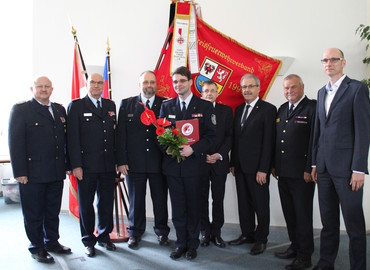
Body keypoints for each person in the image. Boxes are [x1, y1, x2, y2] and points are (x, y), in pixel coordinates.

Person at [311, 48, 370, 270]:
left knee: (354, 224)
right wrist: (315, 163)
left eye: (334, 59)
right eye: (325, 59)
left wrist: (358, 168)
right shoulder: (320, 92)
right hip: (324, 168)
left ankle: (358, 266)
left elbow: (363, 132)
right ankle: (326, 263)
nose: (329, 63)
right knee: (328, 222)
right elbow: (319, 130)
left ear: (343, 62)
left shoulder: (356, 89)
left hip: (347, 170)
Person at [8, 76, 71, 264]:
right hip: (32, 173)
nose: (43, 90)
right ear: (32, 89)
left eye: (47, 87)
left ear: (52, 89)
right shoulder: (21, 110)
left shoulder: (59, 109)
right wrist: (20, 172)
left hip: (55, 171)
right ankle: (37, 247)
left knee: (52, 211)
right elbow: (15, 143)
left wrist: (67, 165)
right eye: (39, 87)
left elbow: (64, 141)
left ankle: (52, 241)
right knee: (34, 213)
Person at [159, 66, 216, 260]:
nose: (178, 85)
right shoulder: (167, 106)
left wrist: (194, 149)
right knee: (178, 208)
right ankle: (180, 243)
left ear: (190, 82)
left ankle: (192, 245)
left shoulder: (205, 107)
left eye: (182, 81)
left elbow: (211, 137)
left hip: (195, 167)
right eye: (175, 81)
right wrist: (166, 148)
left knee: (193, 207)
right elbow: (160, 133)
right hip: (173, 167)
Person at [116, 71, 170, 249]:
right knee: (136, 200)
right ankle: (135, 232)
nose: (149, 85)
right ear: (139, 85)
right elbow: (121, 135)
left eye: (152, 82)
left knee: (160, 200)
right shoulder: (127, 104)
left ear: (156, 84)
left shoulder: (166, 104)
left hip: (159, 163)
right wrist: (121, 160)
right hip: (134, 163)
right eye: (145, 82)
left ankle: (162, 231)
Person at [67, 73, 117, 257]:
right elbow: (72, 139)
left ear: (103, 85)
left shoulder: (110, 105)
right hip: (85, 167)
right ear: (86, 85)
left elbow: (114, 136)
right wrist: (76, 165)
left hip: (107, 165)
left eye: (99, 83)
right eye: (92, 83)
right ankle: (88, 240)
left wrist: (118, 161)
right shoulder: (77, 105)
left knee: (105, 204)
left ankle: (104, 237)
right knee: (86, 205)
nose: (96, 86)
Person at [272, 74, 316, 270]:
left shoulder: (311, 109)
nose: (289, 91)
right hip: (283, 173)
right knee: (290, 214)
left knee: (303, 215)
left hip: (302, 175)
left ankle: (305, 255)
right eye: (286, 88)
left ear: (302, 87)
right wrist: (274, 165)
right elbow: (277, 141)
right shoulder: (282, 109)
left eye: (293, 87)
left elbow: (315, 142)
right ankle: (295, 246)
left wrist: (310, 169)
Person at [230, 73, 276, 255]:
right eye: (244, 87)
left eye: (250, 86)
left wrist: (263, 168)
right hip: (240, 167)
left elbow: (269, 142)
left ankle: (261, 239)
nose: (246, 90)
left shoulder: (268, 109)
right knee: (244, 203)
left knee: (261, 205)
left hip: (258, 169)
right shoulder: (239, 109)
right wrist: (233, 163)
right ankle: (247, 234)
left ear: (258, 88)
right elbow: (236, 139)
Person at [199, 80, 233, 248]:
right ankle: (205, 232)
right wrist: (202, 154)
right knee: (202, 199)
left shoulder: (226, 111)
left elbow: (229, 136)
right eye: (206, 91)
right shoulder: (195, 110)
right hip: (201, 162)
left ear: (217, 93)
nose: (209, 94)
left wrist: (219, 155)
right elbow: (193, 137)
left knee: (218, 199)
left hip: (219, 162)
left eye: (213, 91)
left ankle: (217, 233)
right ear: (201, 93)